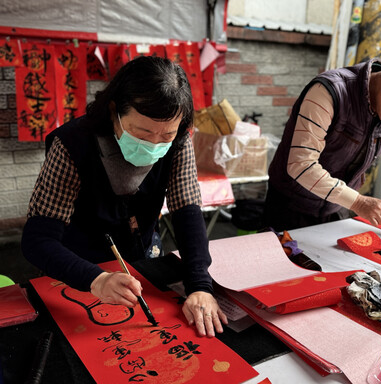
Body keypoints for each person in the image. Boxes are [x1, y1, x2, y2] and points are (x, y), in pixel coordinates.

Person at [21, 56, 227, 337]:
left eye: (165, 136)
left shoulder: (178, 142)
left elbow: (187, 212)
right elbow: (37, 240)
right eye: (141, 133)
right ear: (114, 110)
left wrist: (200, 285)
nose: (154, 144)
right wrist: (96, 279)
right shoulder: (72, 144)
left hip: (142, 256)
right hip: (78, 266)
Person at [264, 47, 381, 254]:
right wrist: (357, 201)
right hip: (288, 207)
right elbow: (301, 165)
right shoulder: (329, 91)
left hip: (336, 208)